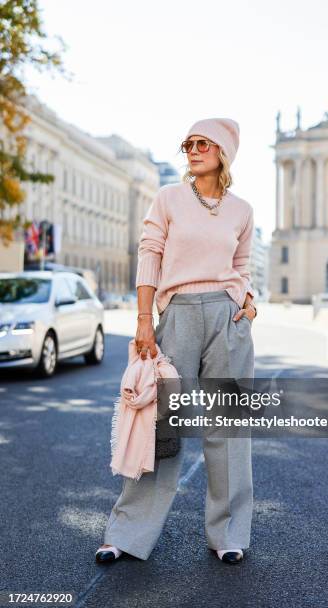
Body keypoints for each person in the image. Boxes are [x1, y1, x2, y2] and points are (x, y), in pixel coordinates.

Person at [96, 117, 257, 565]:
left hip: (228, 318)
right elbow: (149, 255)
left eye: (203, 143)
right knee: (160, 427)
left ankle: (228, 534)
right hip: (178, 313)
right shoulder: (168, 199)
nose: (192, 149)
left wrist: (248, 301)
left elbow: (242, 265)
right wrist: (144, 317)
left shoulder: (241, 209)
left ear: (223, 151)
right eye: (188, 143)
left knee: (229, 428)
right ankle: (126, 534)